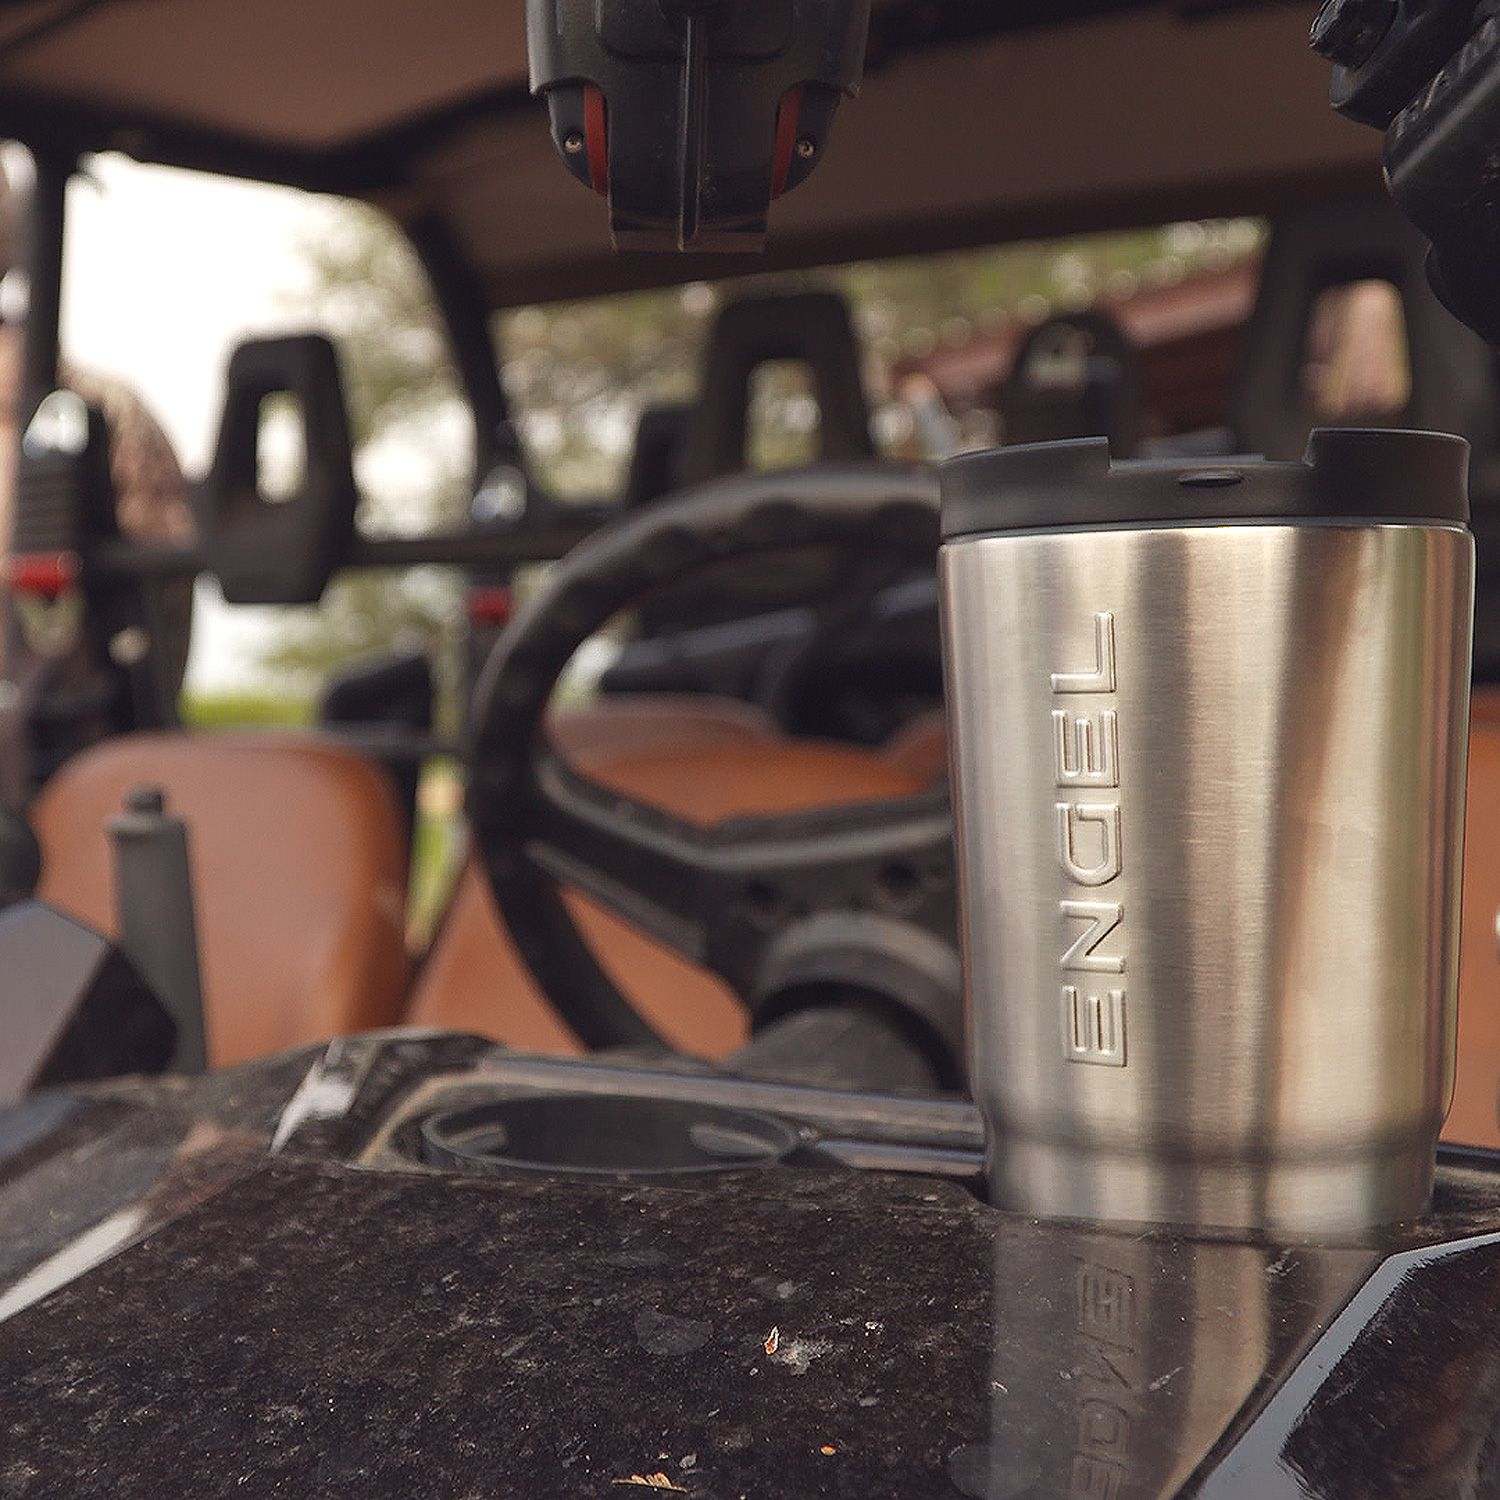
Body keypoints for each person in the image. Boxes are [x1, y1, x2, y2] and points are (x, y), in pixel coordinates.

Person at [0, 154, 193, 803]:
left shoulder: (85, 415)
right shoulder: (98, 408)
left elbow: (151, 631)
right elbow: (163, 633)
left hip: (53, 780)